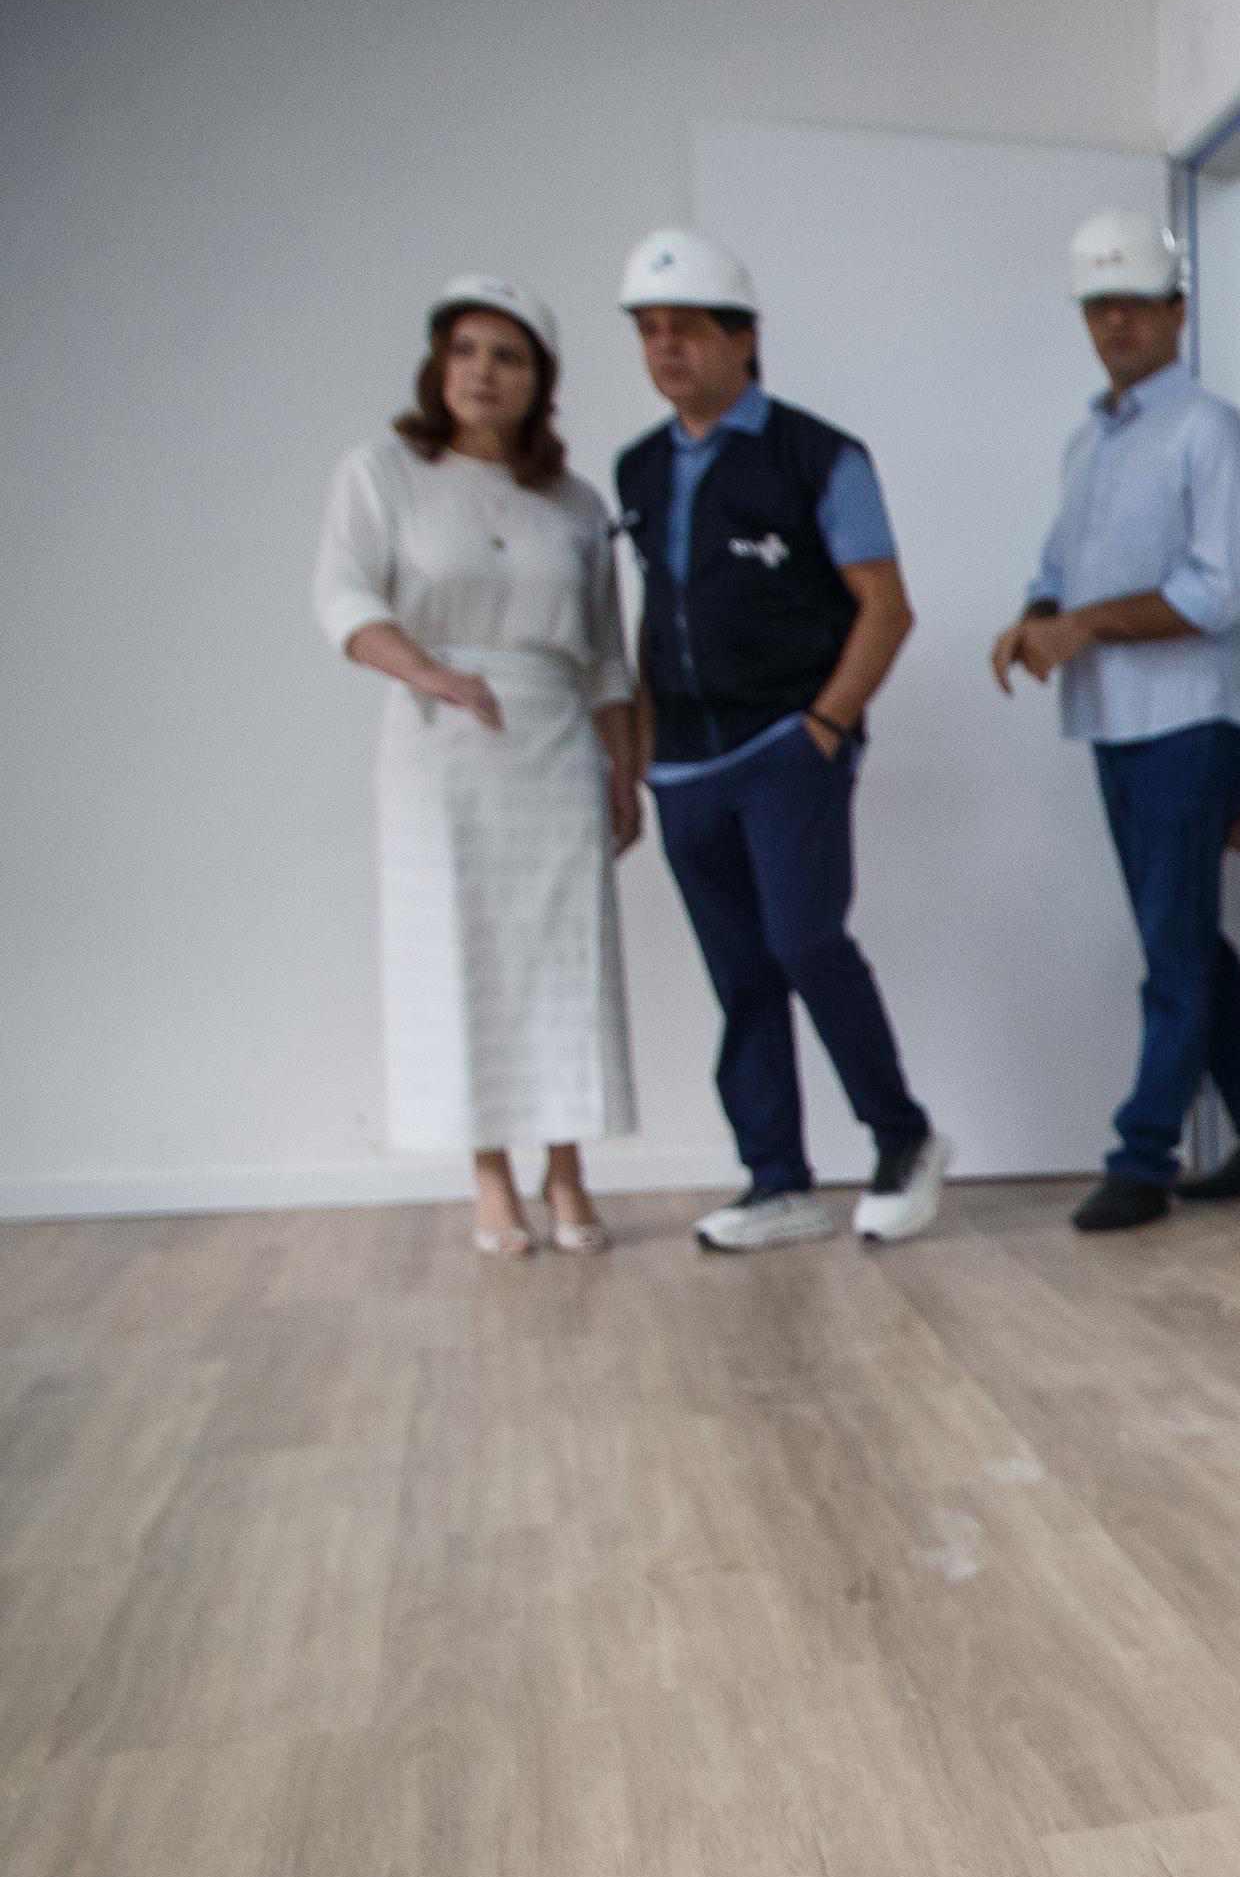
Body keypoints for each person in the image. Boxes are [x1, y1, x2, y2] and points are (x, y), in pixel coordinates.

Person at [613, 226, 946, 1252]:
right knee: (741, 975)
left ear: (743, 338)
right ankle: (776, 1180)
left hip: (786, 747)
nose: (668, 349)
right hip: (683, 763)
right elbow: (647, 617)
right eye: (650, 331)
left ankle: (902, 1136)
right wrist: (636, 758)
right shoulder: (636, 470)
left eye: (689, 330)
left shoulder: (818, 455)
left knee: (806, 941)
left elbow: (884, 607)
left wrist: (826, 725)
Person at [311, 278, 644, 1255]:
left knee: (565, 955)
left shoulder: (576, 504)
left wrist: (623, 768)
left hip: (554, 738)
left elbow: (608, 654)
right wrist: (429, 670)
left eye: (507, 356)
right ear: (437, 363)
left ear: (539, 379)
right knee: (461, 949)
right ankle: (490, 1171)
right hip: (439, 742)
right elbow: (339, 595)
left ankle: (568, 1166)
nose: (482, 373)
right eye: (465, 351)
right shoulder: (384, 471)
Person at [987, 207, 1240, 1234]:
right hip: (1116, 721)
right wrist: (1035, 622)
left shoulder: (1212, 433)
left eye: (1134, 304)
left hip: (1192, 719)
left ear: (1177, 312)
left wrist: (1087, 626)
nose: (1115, 323)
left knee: (1170, 947)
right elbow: (1059, 574)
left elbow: (1220, 591)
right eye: (1098, 306)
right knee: (1186, 937)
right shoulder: (1089, 444)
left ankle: (1144, 1152)